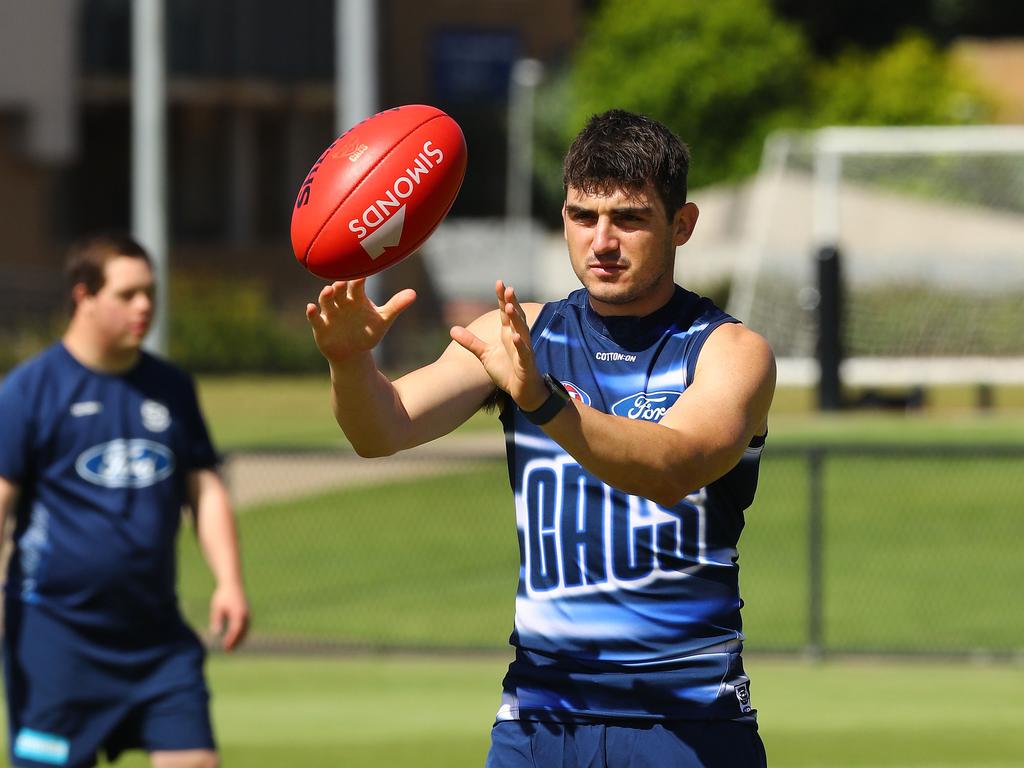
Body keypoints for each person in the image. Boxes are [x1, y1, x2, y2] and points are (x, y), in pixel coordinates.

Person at [307, 109, 776, 767]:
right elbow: (380, 429)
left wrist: (540, 401)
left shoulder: (730, 351)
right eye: (583, 217)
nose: (602, 241)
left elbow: (673, 468)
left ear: (683, 225)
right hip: (538, 724)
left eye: (629, 219)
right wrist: (349, 362)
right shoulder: (519, 333)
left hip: (684, 724)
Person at [0, 234, 249, 768]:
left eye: (150, 293)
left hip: (155, 637)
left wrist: (229, 581)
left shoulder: (172, 387)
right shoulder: (30, 391)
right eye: (128, 293)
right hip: (55, 639)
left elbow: (204, 489)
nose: (145, 306)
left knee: (196, 760)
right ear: (83, 296)